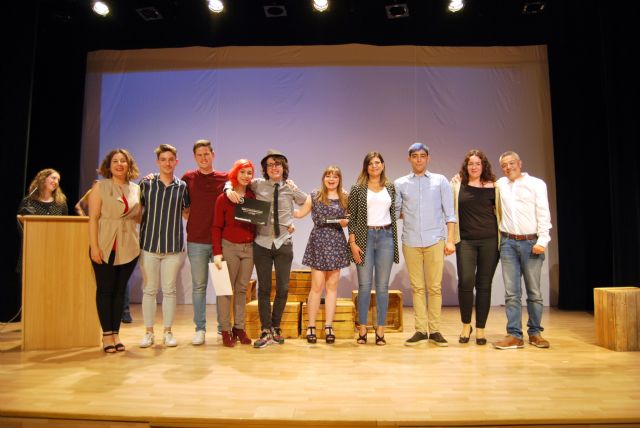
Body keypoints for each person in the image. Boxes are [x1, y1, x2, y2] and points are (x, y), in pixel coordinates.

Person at [226, 149, 308, 348]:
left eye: (277, 164)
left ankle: (276, 327)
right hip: (262, 243)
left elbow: (307, 201)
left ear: (283, 167)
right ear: (265, 169)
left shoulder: (290, 187)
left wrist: (296, 216)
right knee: (263, 288)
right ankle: (265, 329)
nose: (274, 167)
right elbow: (234, 181)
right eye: (270, 165)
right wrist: (228, 189)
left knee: (283, 288)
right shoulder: (257, 184)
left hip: (283, 243)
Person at [394, 143, 456, 347]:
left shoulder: (440, 181)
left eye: (422, 156)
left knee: (435, 287)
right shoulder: (400, 183)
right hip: (410, 240)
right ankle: (420, 330)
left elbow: (450, 214)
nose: (419, 159)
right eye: (415, 156)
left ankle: (435, 330)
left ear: (428, 158)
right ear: (409, 159)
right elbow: (395, 212)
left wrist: (450, 240)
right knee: (417, 288)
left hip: (435, 240)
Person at [493, 151, 552, 350]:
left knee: (534, 292)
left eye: (511, 163)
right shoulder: (500, 185)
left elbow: (543, 213)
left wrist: (543, 240)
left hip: (531, 242)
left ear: (520, 163)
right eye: (504, 165)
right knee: (512, 293)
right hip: (508, 243)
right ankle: (514, 335)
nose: (508, 167)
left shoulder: (536, 184)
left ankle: (535, 333)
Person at [88, 149, 141, 353]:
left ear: (129, 165)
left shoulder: (136, 189)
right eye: (115, 161)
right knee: (105, 290)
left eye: (123, 161)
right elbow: (93, 219)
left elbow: (138, 217)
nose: (119, 164)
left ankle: (116, 334)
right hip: (104, 244)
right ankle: (106, 335)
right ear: (109, 166)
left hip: (129, 246)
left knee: (120, 291)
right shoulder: (99, 187)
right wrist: (94, 246)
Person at [138, 144, 190, 348]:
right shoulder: (145, 184)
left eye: (171, 160)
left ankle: (168, 332)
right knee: (149, 290)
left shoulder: (182, 187)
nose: (167, 163)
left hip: (173, 247)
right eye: (163, 160)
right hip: (148, 245)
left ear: (176, 162)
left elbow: (187, 213)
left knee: (169, 291)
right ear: (157, 162)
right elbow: (137, 212)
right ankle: (148, 333)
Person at [348, 152, 399, 346]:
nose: (374, 166)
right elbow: (352, 217)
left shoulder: (390, 187)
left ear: (383, 165)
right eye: (370, 163)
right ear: (366, 167)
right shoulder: (357, 188)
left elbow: (395, 211)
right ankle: (362, 329)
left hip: (386, 236)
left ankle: (380, 330)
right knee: (364, 285)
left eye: (377, 163)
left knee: (383, 287)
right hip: (364, 238)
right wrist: (352, 243)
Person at [295, 166, 350, 344]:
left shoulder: (345, 197)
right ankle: (311, 326)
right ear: (323, 178)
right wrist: (282, 208)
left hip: (336, 242)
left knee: (332, 286)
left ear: (339, 179)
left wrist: (346, 221)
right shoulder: (315, 195)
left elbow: (351, 219)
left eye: (335, 176)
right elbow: (300, 213)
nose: (331, 179)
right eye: (328, 176)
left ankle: (328, 326)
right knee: (317, 286)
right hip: (318, 241)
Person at [181, 140, 229, 345]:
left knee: (221, 286)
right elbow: (182, 205)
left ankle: (222, 328)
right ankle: (200, 328)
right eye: (199, 155)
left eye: (206, 154)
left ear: (213, 155)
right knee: (199, 287)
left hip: (220, 242)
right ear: (195, 157)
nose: (203, 158)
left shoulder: (225, 178)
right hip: (197, 241)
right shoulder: (188, 178)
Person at [452, 150, 501, 346]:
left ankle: (480, 328)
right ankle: (466, 325)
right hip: (465, 241)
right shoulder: (457, 185)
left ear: (483, 166)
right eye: (470, 163)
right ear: (466, 166)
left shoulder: (495, 187)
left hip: (490, 241)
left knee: (484, 285)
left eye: (478, 163)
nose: (474, 167)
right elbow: (449, 213)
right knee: (465, 282)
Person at [211, 159, 256, 347]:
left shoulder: (253, 197)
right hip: (229, 247)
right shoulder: (223, 198)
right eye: (242, 172)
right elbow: (216, 227)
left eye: (249, 172)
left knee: (242, 289)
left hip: (249, 248)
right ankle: (225, 330)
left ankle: (239, 328)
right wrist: (217, 252)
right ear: (235, 173)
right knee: (224, 290)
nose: (246, 176)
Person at [76, 184, 133, 324]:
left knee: (121, 284)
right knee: (105, 287)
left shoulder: (129, 190)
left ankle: (124, 313)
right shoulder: (96, 190)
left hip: (123, 242)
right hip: (104, 240)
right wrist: (85, 218)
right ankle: (107, 328)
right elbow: (81, 207)